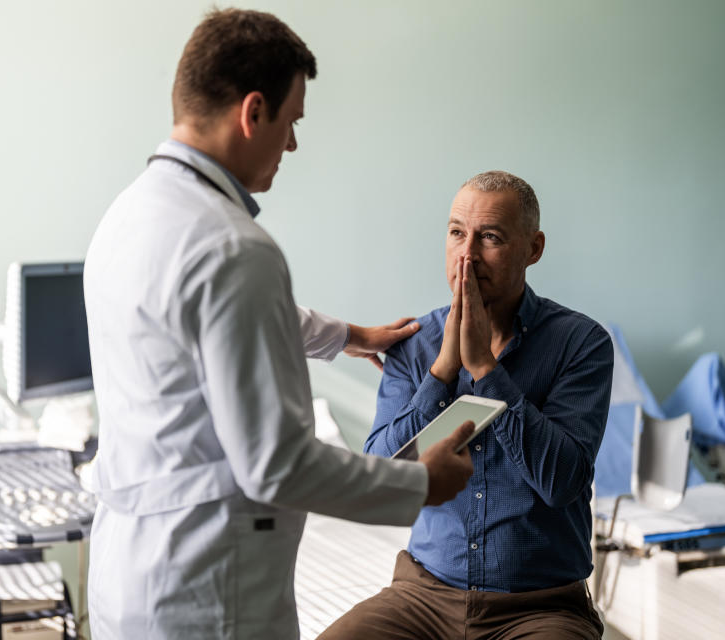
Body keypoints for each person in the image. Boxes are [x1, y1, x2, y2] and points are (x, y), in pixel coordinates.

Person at [83, 9, 476, 639]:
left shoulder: (130, 217)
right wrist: (420, 483)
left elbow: (206, 319)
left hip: (129, 575)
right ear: (253, 111)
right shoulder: (235, 247)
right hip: (210, 594)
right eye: (291, 122)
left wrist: (349, 335)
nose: (291, 144)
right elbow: (278, 465)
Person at [319, 171, 614, 640]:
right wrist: (441, 373)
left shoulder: (581, 344)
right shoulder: (414, 346)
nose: (468, 254)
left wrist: (484, 370)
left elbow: (562, 482)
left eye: (490, 237)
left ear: (533, 249)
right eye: (457, 232)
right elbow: (381, 475)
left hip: (540, 608)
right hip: (421, 598)